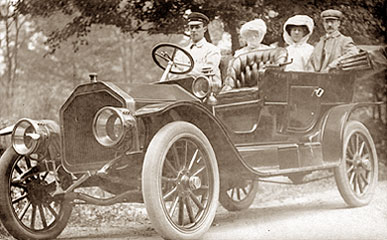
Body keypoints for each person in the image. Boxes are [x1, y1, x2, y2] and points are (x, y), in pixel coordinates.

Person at [172, 12, 221, 89]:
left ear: (204, 29)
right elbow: (172, 75)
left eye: (197, 27)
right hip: (182, 90)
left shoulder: (212, 50)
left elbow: (207, 74)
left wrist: (183, 71)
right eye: (191, 27)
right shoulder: (181, 53)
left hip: (205, 90)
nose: (193, 30)